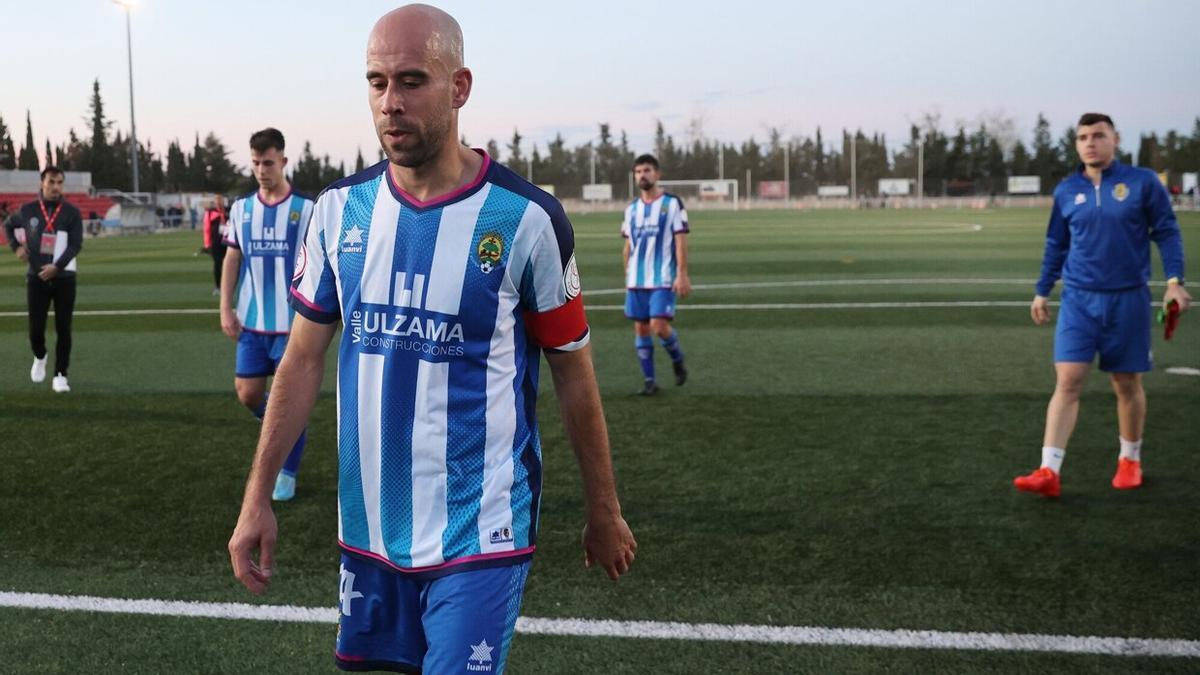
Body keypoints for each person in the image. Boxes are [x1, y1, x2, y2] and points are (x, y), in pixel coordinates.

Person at [227, 6, 636, 674]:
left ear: (460, 86)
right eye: (377, 81)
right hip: (368, 533)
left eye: (412, 80)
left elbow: (573, 373)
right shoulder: (338, 211)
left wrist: (603, 508)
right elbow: (302, 359)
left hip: (480, 531)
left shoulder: (528, 219)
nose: (391, 102)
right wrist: (256, 499)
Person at [1015, 112, 1190, 498]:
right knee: (1067, 381)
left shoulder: (1142, 183)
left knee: (1126, 383)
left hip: (1127, 299)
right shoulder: (1066, 190)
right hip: (1078, 300)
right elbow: (1056, 245)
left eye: (1098, 135)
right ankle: (1049, 470)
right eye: (1082, 137)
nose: (1090, 142)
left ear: (1115, 139)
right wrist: (1042, 291)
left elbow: (1167, 232)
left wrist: (1175, 282)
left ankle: (1130, 460)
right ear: (1076, 145)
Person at [220, 128, 314, 502]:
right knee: (247, 394)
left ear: (284, 162)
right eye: (256, 163)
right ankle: (283, 427)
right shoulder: (241, 209)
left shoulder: (306, 209)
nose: (262, 169)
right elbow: (232, 257)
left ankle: (287, 471)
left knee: (285, 399)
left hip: (293, 327)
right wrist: (225, 306)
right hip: (252, 324)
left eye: (269, 162)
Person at [4, 166, 84, 393]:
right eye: (51, 182)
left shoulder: (71, 212)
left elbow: (75, 244)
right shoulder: (28, 210)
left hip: (64, 277)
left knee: (63, 328)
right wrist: (15, 247)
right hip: (36, 277)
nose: (56, 187)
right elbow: (9, 225)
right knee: (35, 331)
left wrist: (57, 267)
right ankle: (40, 356)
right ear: (42, 183)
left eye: (60, 182)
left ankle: (60, 374)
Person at [620, 154, 691, 395]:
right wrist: (627, 274)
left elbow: (681, 241)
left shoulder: (672, 204)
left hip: (663, 277)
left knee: (659, 327)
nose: (643, 175)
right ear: (634, 176)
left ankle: (677, 359)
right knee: (641, 329)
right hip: (636, 280)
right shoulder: (631, 209)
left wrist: (682, 275)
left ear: (657, 174)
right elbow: (628, 245)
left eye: (647, 170)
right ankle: (650, 381)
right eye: (638, 171)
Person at [203, 196, 228, 294]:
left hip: (228, 242)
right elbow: (206, 228)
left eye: (220, 201)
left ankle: (228, 286)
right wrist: (207, 243)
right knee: (218, 264)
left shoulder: (228, 211)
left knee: (230, 265)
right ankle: (218, 286)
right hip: (216, 243)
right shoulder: (210, 212)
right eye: (217, 201)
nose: (219, 203)